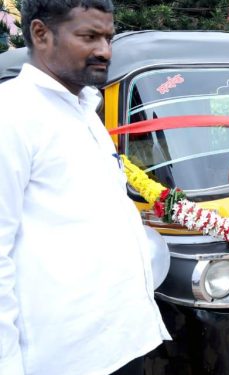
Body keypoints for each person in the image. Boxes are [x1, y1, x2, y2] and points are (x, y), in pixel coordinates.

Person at [0, 1, 170, 374]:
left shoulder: (84, 108)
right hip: (62, 357)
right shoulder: (11, 115)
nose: (105, 50)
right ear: (41, 34)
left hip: (122, 342)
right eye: (88, 36)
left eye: (108, 37)